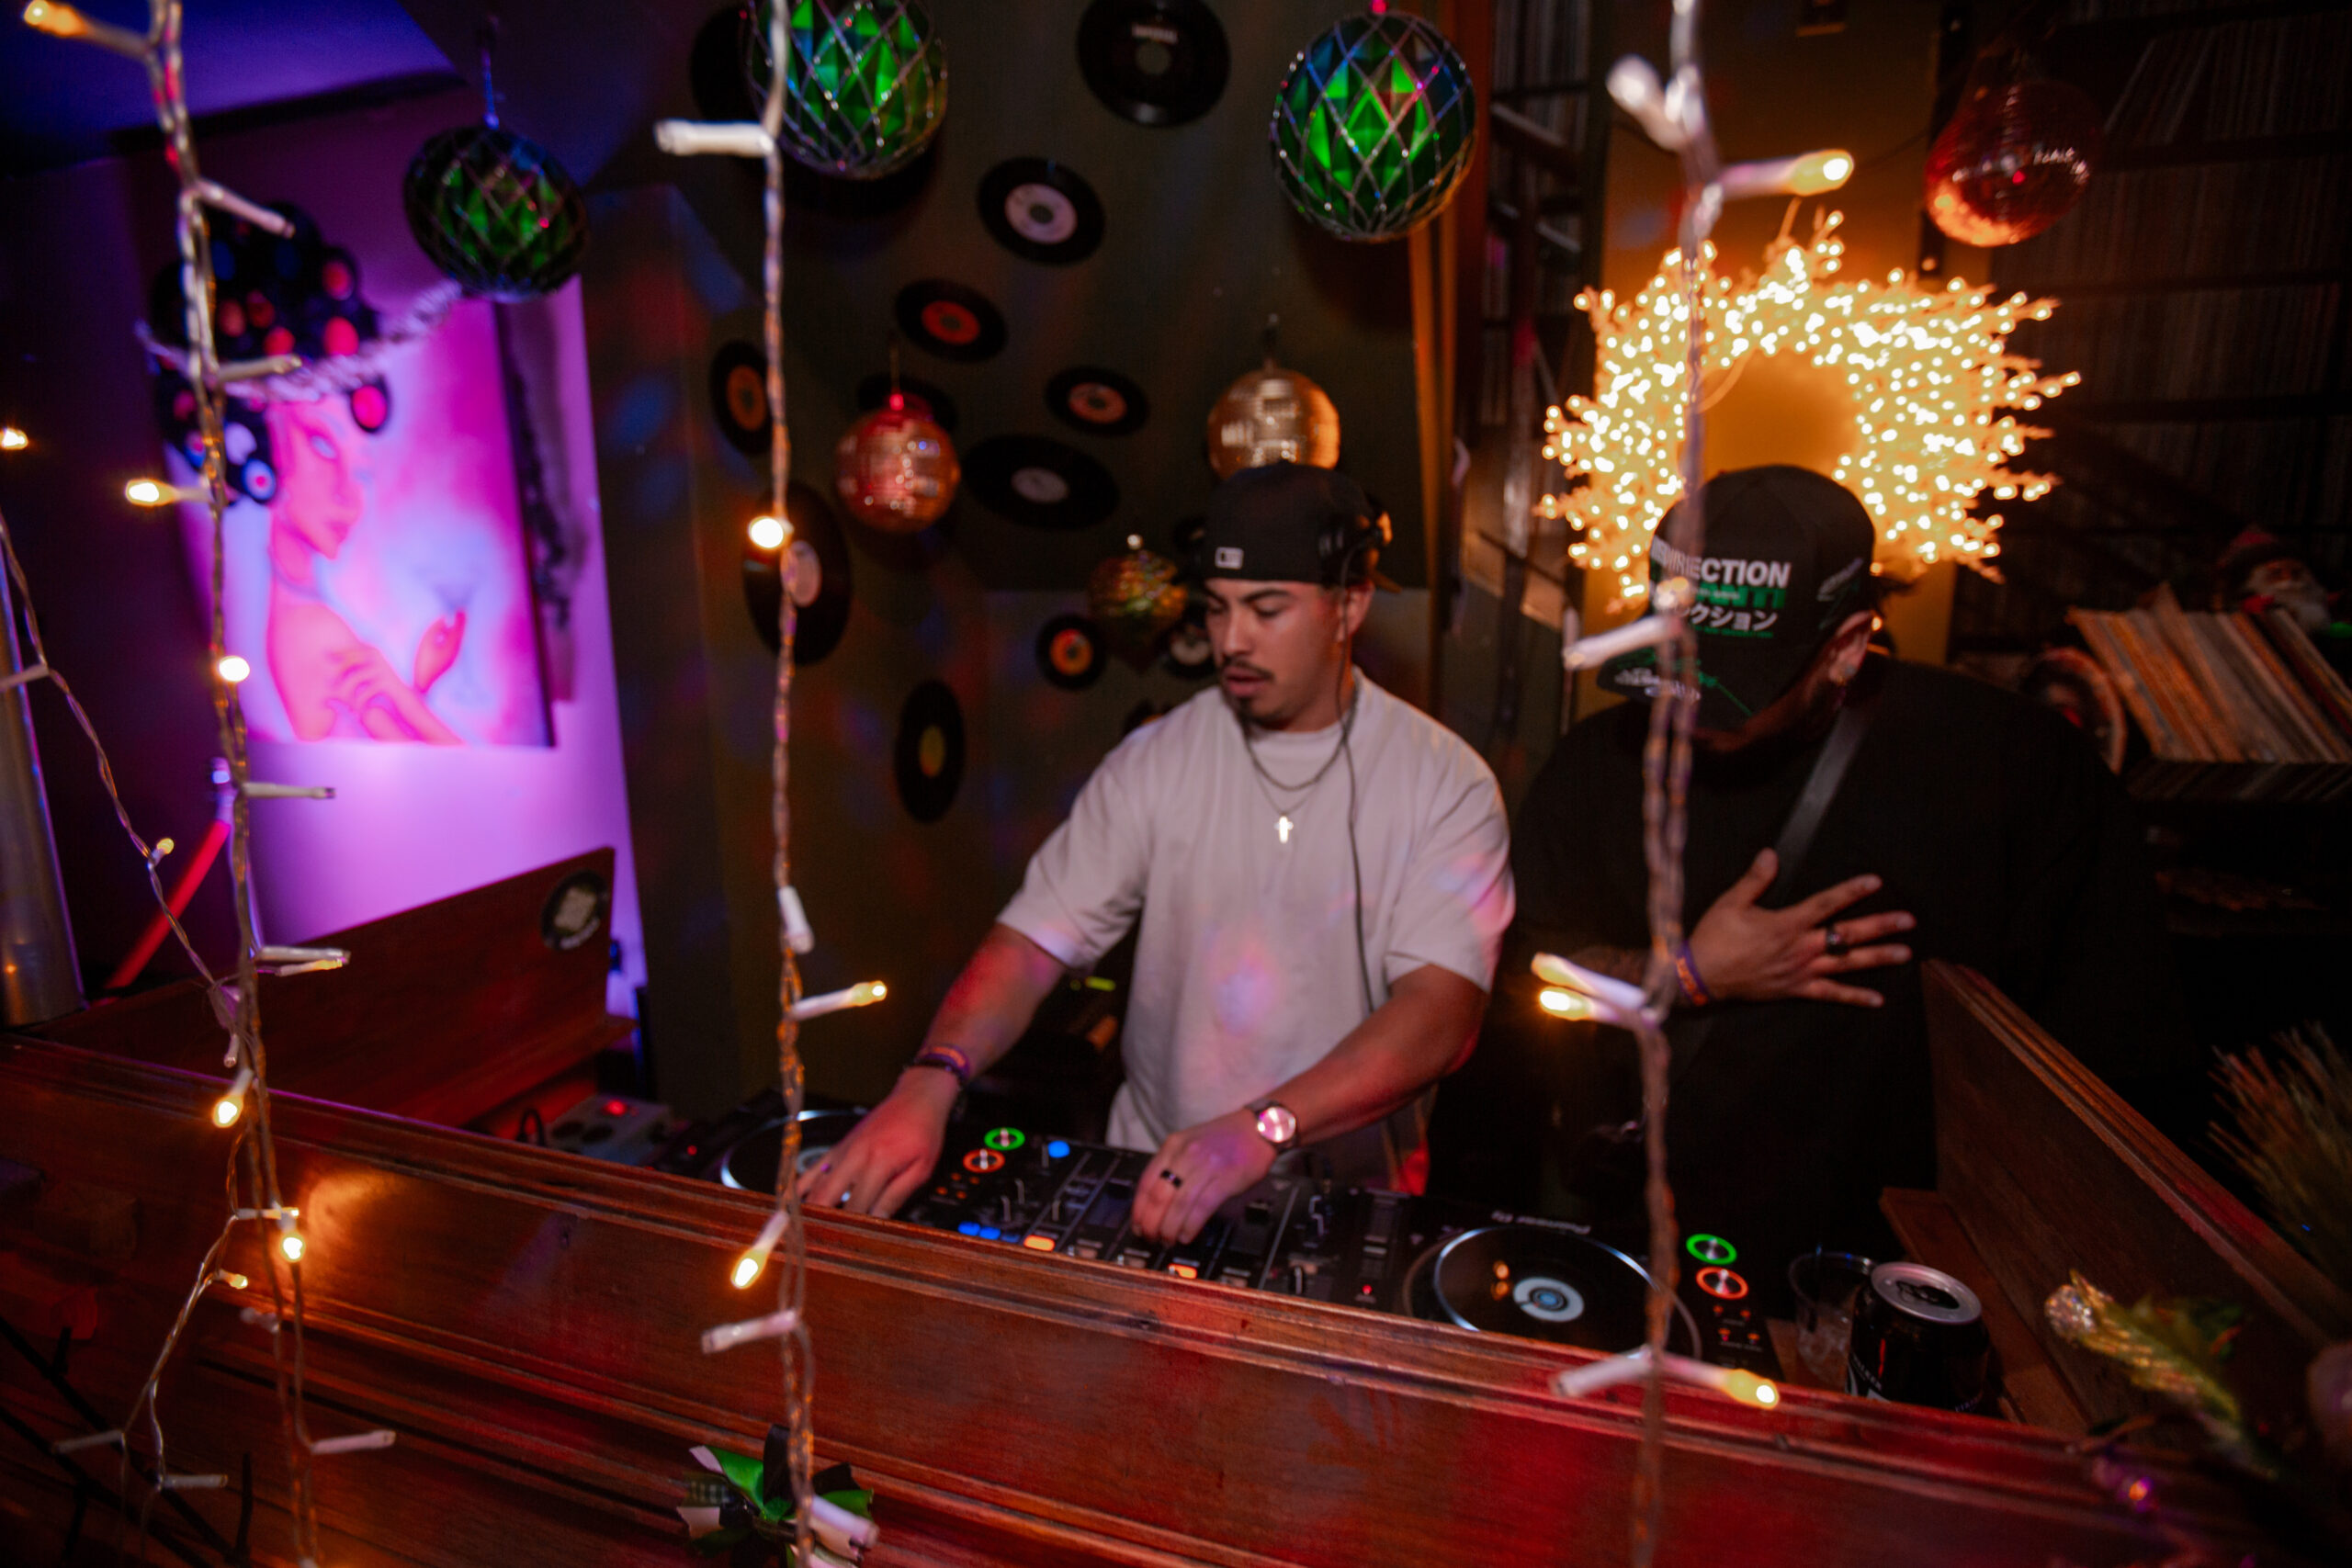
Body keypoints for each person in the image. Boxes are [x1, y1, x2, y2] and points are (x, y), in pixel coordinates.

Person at [1429, 466, 2193, 1295]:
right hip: (1645, 1257)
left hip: (1904, 1276)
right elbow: (1525, 989)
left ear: (1846, 646)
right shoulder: (1596, 765)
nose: (1683, 705)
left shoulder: (2018, 774)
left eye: (1727, 679)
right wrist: (1687, 973)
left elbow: (2115, 1076)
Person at [802, 463, 1515, 1242]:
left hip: (1340, 1205)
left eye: (1266, 609)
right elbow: (1032, 942)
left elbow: (1440, 1012)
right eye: (1218, 608)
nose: (1232, 640)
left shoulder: (1446, 784)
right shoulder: (1156, 758)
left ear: (1348, 605)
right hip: (1151, 1180)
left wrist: (1265, 1124)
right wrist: (932, 1078)